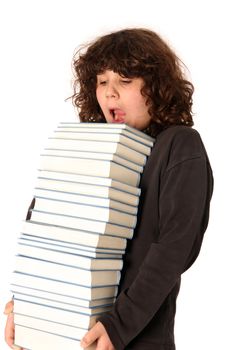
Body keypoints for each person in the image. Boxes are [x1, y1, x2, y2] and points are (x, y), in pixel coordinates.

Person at [4, 28, 213, 350]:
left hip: (134, 340)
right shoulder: (86, 147)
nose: (110, 94)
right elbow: (44, 231)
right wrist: (27, 304)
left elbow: (175, 247)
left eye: (125, 81)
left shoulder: (179, 145)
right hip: (58, 333)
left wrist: (118, 326)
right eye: (102, 82)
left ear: (156, 87)